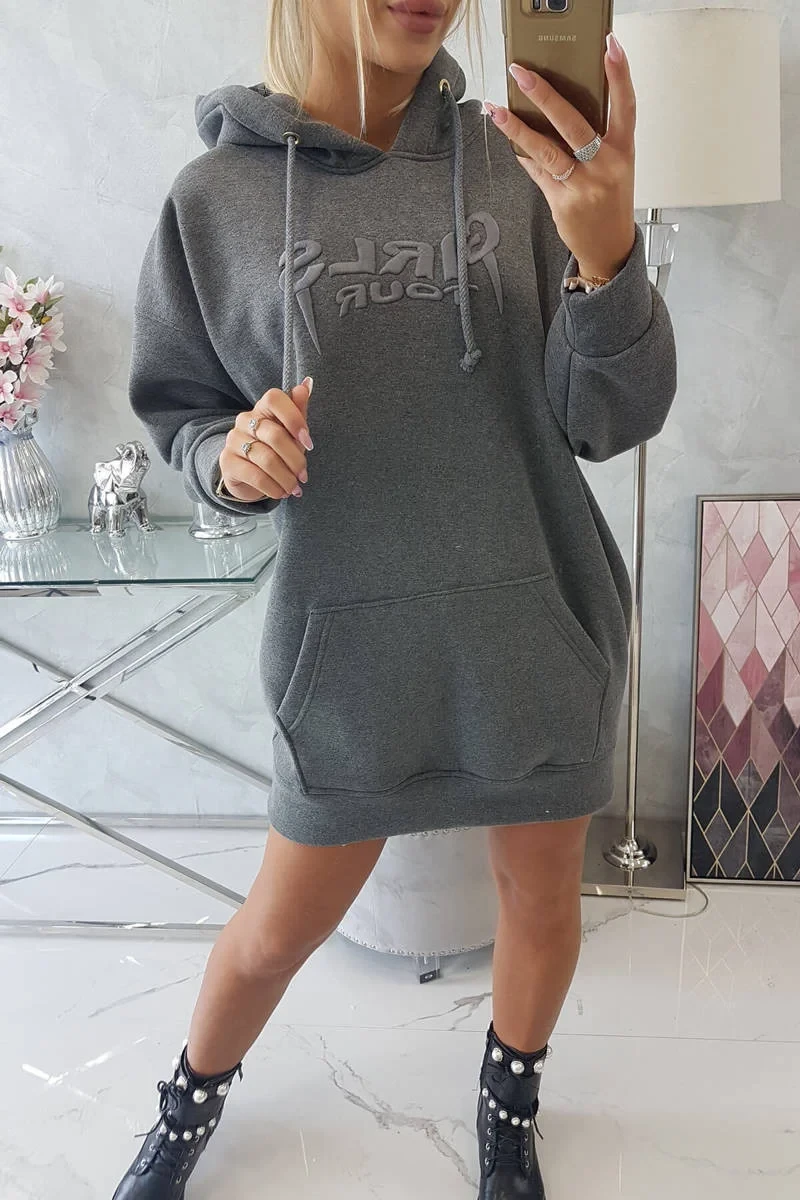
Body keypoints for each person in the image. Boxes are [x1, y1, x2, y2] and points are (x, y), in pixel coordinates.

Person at [115, 1, 677, 1196]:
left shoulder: (517, 161)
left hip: (531, 627)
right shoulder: (212, 200)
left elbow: (607, 420)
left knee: (539, 899)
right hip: (349, 658)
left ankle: (507, 1104)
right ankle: (187, 1103)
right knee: (274, 933)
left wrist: (606, 258)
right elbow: (181, 413)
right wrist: (230, 457)